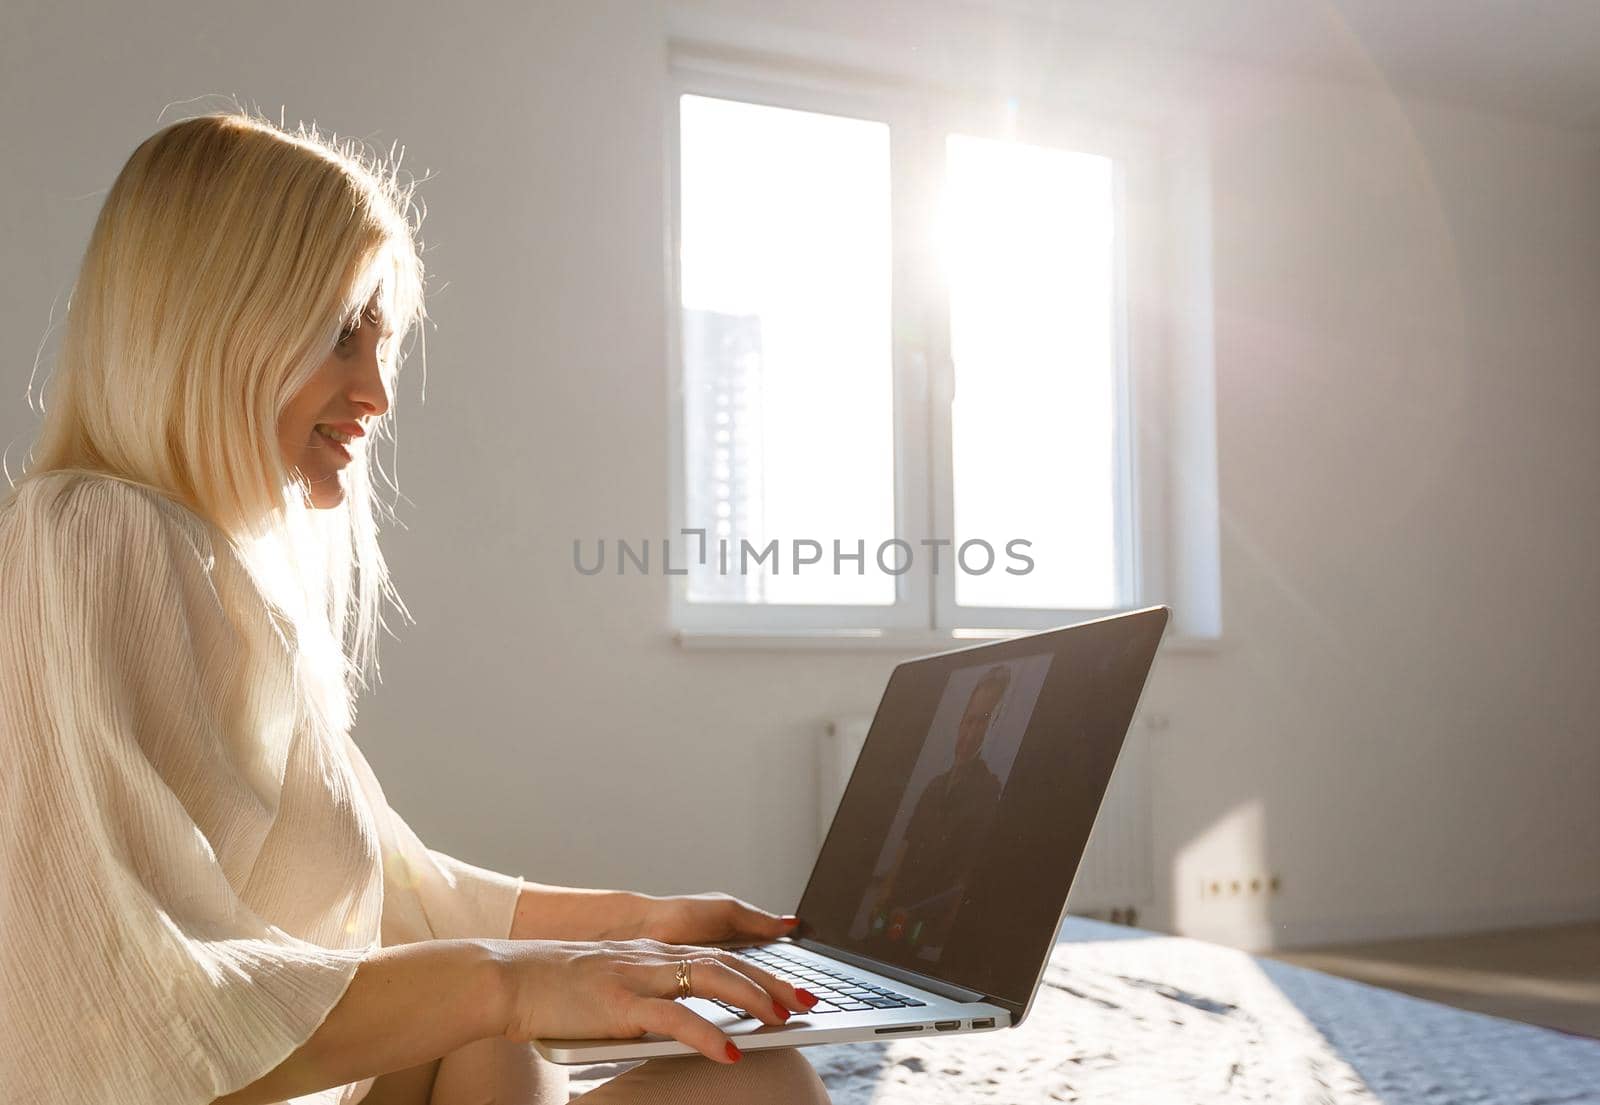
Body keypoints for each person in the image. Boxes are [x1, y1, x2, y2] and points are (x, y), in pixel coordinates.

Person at [0, 109, 831, 1105]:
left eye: (383, 342)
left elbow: (398, 890)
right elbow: (125, 992)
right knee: (714, 1077)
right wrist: (511, 987)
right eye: (344, 333)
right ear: (215, 319)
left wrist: (644, 924)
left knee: (565, 1043)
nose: (378, 392)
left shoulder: (213, 576)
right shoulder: (92, 534)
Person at [866, 665, 1009, 954]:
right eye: (968, 720)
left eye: (982, 721)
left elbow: (967, 878)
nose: (970, 732)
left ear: (994, 727)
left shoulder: (989, 791)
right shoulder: (934, 786)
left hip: (923, 925)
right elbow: (905, 848)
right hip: (893, 916)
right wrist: (883, 896)